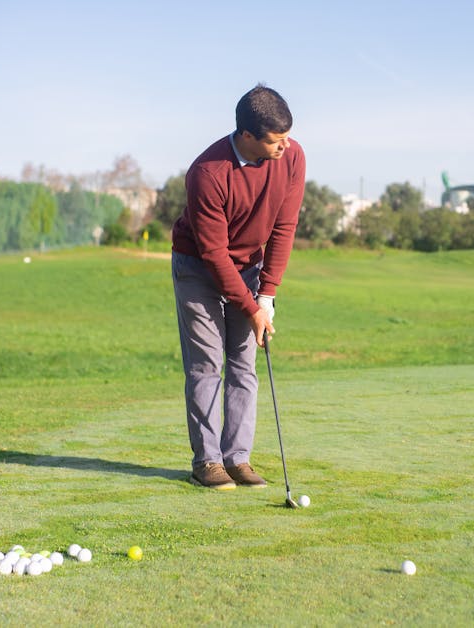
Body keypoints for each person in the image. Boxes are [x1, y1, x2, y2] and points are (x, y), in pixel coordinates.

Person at [171, 84, 306, 490]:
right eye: (274, 141)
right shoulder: (208, 173)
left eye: (286, 137)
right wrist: (250, 308)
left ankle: (238, 459)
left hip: (250, 267)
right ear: (246, 135)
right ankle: (208, 462)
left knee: (245, 364)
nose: (284, 147)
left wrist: (266, 296)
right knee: (207, 364)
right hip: (199, 268)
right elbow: (213, 254)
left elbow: (284, 227)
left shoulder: (293, 156)